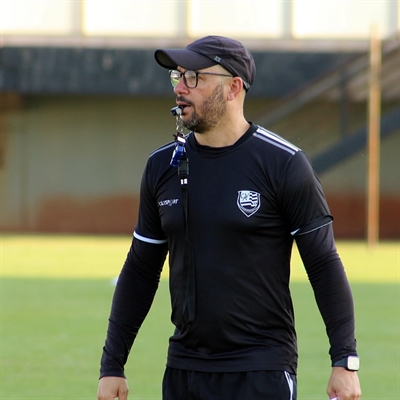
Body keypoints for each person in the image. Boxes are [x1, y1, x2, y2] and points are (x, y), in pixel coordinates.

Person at [97, 35, 361, 400]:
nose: (181, 88)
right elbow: (141, 269)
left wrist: (344, 360)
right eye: (178, 77)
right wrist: (112, 365)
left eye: (195, 77)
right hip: (184, 371)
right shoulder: (162, 166)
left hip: (261, 371)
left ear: (234, 87)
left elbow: (324, 264)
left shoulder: (284, 164)